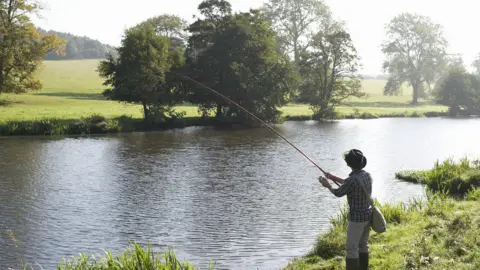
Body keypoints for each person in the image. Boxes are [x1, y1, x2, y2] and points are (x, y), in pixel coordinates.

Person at [318, 149, 372, 270]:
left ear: (349, 164)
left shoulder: (352, 180)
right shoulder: (366, 175)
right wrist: (333, 177)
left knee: (351, 248)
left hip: (356, 219)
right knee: (363, 245)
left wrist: (328, 185)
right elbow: (349, 183)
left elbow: (338, 192)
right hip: (368, 216)